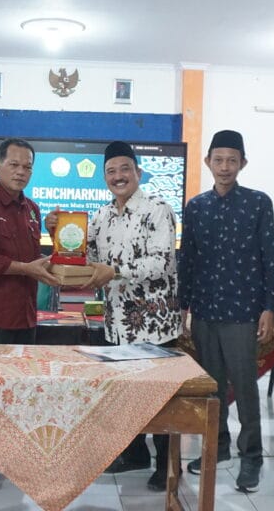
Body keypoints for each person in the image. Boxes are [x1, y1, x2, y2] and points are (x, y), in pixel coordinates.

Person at [57, 140, 180, 491]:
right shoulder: (101, 216)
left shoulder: (158, 209)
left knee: (160, 397)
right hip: (117, 324)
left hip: (155, 325)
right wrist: (60, 233)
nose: (118, 176)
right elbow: (88, 257)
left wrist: (115, 271)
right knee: (125, 394)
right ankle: (135, 453)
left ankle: (166, 465)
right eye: (111, 171)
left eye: (125, 169)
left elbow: (161, 262)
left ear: (138, 172)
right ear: (105, 177)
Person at [177, 130, 274, 492]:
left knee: (245, 387)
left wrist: (270, 307)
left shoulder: (258, 203)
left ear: (243, 163)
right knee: (213, 386)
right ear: (208, 162)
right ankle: (217, 447)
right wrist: (183, 306)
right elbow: (187, 260)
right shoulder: (196, 207)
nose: (224, 167)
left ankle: (251, 456)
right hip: (205, 311)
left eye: (232, 161)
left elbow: (271, 257)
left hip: (242, 312)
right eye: (218, 160)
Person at [0, 137, 59, 491]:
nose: (21, 172)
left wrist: (56, 235)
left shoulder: (32, 208)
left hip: (25, 316)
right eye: (14, 164)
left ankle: (7, 454)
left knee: (19, 390)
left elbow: (35, 259)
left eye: (27, 166)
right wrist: (25, 269)